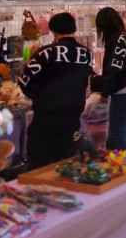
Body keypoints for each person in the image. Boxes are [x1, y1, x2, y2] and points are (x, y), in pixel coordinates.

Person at [19, 12, 94, 169]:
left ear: (53, 30)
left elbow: (25, 81)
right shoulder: (85, 53)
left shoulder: (45, 53)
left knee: (40, 166)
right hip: (73, 118)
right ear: (74, 29)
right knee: (67, 165)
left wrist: (38, 96)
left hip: (47, 119)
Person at [90, 7, 126, 151]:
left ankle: (120, 160)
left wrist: (105, 93)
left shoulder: (118, 39)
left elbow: (114, 69)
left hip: (123, 87)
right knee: (120, 127)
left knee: (118, 129)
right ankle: (121, 158)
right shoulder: (123, 36)